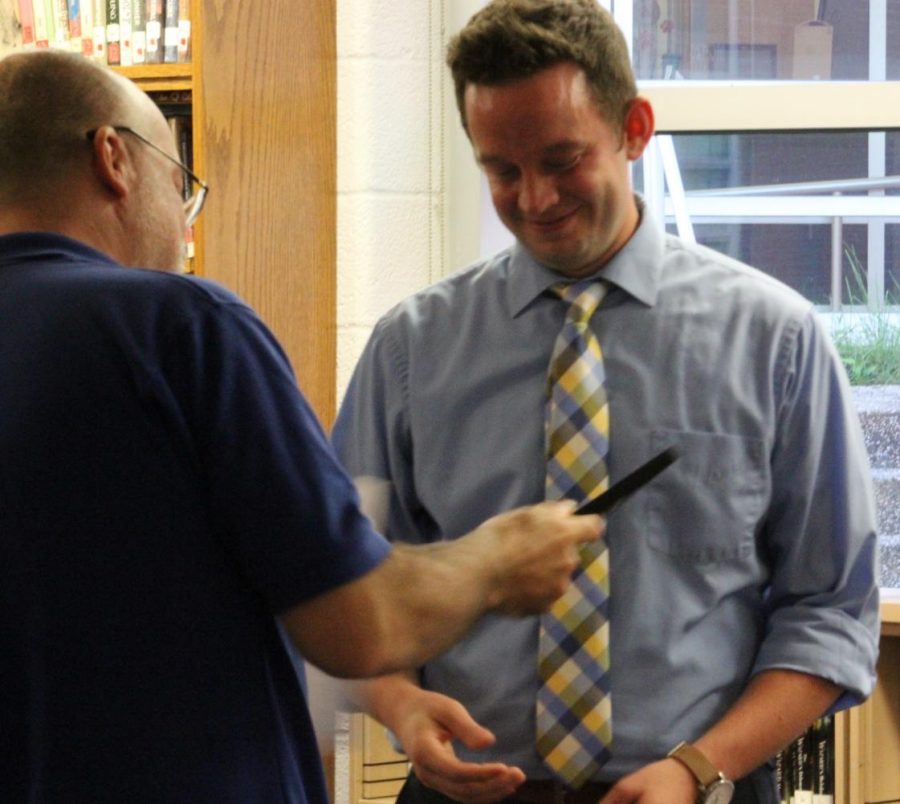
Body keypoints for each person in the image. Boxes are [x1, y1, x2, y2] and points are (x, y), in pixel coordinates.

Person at [0, 49, 604, 804]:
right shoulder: (180, 326)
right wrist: (496, 559)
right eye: (180, 184)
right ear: (113, 157)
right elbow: (357, 620)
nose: (183, 227)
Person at [331, 2, 881, 803]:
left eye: (563, 159)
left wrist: (697, 769)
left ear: (635, 128)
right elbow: (347, 591)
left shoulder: (777, 341)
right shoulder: (410, 349)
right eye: (501, 170)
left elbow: (832, 612)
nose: (535, 197)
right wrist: (399, 703)